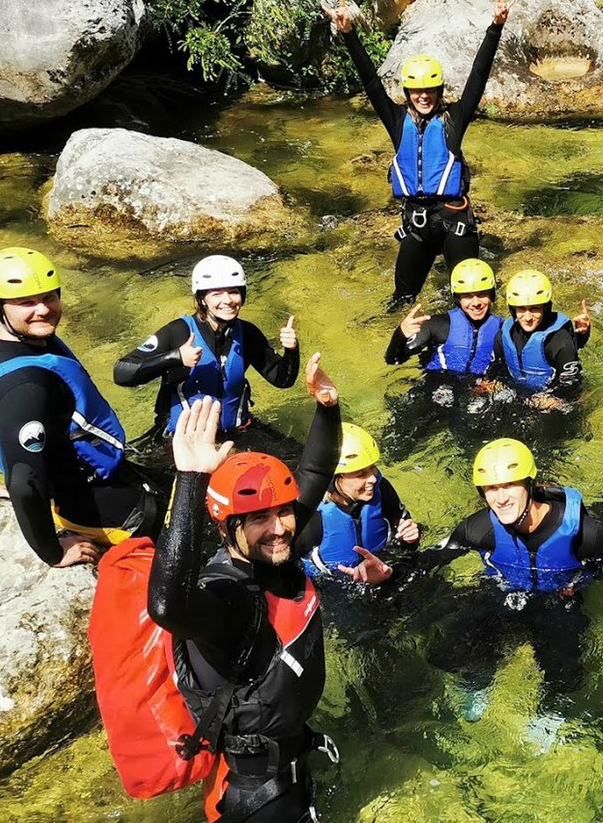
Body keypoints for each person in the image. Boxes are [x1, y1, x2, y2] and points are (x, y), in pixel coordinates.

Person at [148, 352, 344, 822]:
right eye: (258, 518)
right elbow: (166, 606)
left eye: (284, 511)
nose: (279, 528)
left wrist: (328, 406)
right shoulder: (228, 596)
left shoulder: (278, 553)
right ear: (226, 526)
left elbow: (315, 474)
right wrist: (191, 479)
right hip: (259, 796)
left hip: (286, 763)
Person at [0, 247, 162, 567]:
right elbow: (24, 483)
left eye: (49, 297)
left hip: (91, 478)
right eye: (26, 302)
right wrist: (53, 552)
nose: (42, 309)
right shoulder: (27, 389)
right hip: (98, 511)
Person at [413, 439, 603, 693]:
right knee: (443, 655)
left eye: (510, 485)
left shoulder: (583, 533)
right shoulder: (478, 529)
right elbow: (430, 558)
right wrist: (387, 571)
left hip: (559, 601)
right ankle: (485, 671)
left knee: (564, 680)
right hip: (504, 593)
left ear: (530, 486)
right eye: (491, 488)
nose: (500, 499)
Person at [324, 0, 510, 304]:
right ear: (408, 92)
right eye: (416, 91)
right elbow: (370, 81)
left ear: (438, 91)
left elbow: (478, 75)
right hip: (416, 223)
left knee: (470, 300)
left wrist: (496, 26)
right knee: (400, 299)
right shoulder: (397, 121)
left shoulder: (454, 119)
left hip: (455, 223)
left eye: (429, 91)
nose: (423, 97)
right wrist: (348, 33)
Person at [113, 255, 300, 451]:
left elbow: (282, 380)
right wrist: (175, 357)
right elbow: (122, 373)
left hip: (237, 433)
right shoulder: (179, 332)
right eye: (216, 294)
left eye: (234, 292)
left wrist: (291, 351)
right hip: (183, 440)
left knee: (300, 467)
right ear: (202, 299)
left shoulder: (247, 333)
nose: (227, 300)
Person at [305, 423, 419, 580]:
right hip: (331, 585)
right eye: (361, 474)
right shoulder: (311, 516)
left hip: (382, 570)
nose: (372, 478)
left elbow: (405, 534)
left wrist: (410, 538)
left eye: (372, 468)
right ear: (332, 479)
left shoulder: (381, 489)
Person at [384, 258, 503, 377]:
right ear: (457, 298)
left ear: (491, 294)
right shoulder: (437, 325)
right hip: (439, 384)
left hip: (480, 387)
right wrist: (400, 334)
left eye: (482, 294)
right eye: (467, 296)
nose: (476, 303)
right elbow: (394, 360)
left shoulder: (503, 329)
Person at [493, 269, 590, 407]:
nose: (527, 317)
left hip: (549, 400)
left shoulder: (560, 341)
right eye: (521, 308)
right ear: (512, 309)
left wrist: (550, 399)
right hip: (517, 394)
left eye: (534, 309)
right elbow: (496, 366)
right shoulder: (504, 333)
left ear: (546, 308)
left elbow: (571, 385)